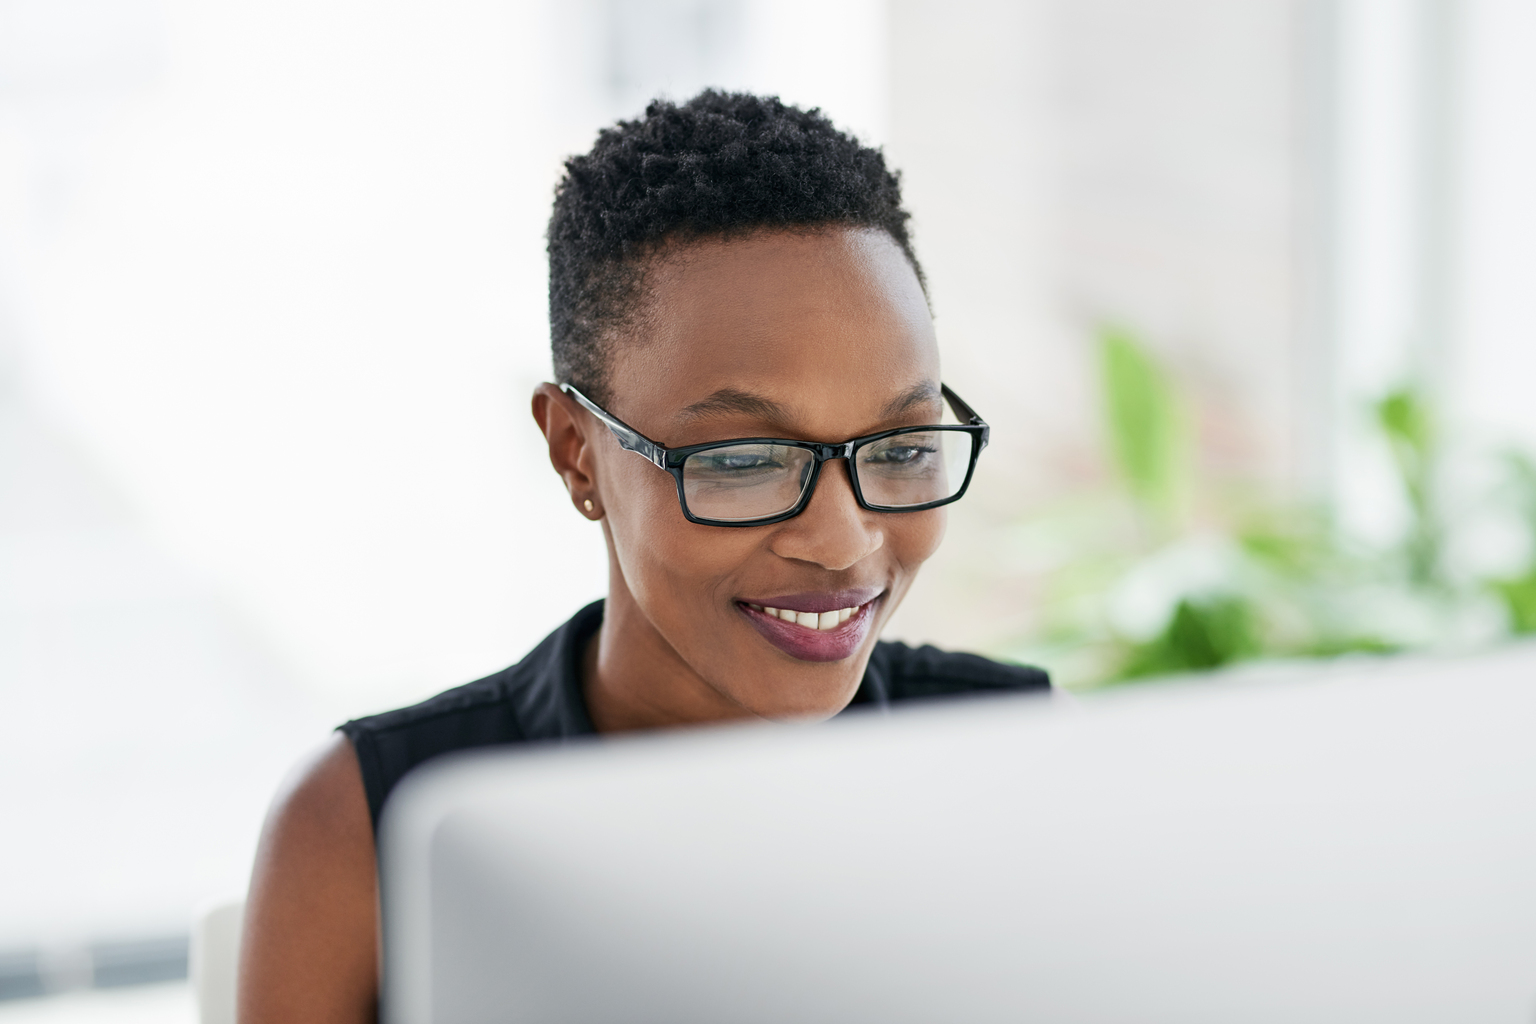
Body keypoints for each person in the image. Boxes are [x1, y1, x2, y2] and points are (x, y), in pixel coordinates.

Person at [237, 90, 1050, 1023]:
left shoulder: (1023, 759)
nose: (842, 540)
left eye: (902, 449)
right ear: (576, 452)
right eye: (743, 460)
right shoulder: (370, 824)